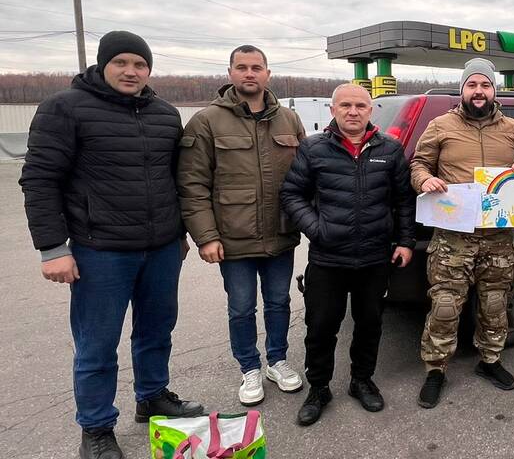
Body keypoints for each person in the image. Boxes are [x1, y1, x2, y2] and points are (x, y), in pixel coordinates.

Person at [20, 31, 203, 459]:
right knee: (98, 344)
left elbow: (174, 179)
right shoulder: (64, 108)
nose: (131, 71)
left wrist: (179, 234)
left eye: (140, 64)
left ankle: (152, 397)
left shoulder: (164, 114)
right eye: (121, 62)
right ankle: (97, 427)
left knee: (157, 330)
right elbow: (40, 180)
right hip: (99, 249)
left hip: (161, 248)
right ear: (103, 65)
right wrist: (53, 248)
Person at [410, 57, 514, 408]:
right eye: (472, 85)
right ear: (463, 90)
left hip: (499, 235)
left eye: (485, 85)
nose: (479, 91)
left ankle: (490, 361)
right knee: (444, 305)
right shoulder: (440, 125)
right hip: (452, 236)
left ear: (494, 90)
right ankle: (436, 370)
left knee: (496, 303)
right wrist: (424, 179)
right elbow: (418, 163)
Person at [177, 45, 306, 405]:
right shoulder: (207, 121)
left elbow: (306, 175)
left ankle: (277, 361)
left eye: (256, 67)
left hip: (280, 233)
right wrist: (206, 237)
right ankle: (249, 367)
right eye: (242, 67)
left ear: (267, 73)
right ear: (230, 72)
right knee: (241, 307)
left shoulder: (288, 119)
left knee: (279, 302)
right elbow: (192, 183)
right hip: (233, 238)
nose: (250, 73)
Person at [280, 84, 415, 426]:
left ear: (370, 110)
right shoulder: (313, 148)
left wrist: (404, 241)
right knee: (320, 327)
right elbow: (292, 194)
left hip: (374, 257)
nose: (353, 112)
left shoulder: (390, 149)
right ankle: (318, 388)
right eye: (345, 105)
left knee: (369, 324)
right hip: (328, 259)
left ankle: (361, 381)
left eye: (360, 106)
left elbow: (403, 200)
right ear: (333, 110)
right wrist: (317, 228)